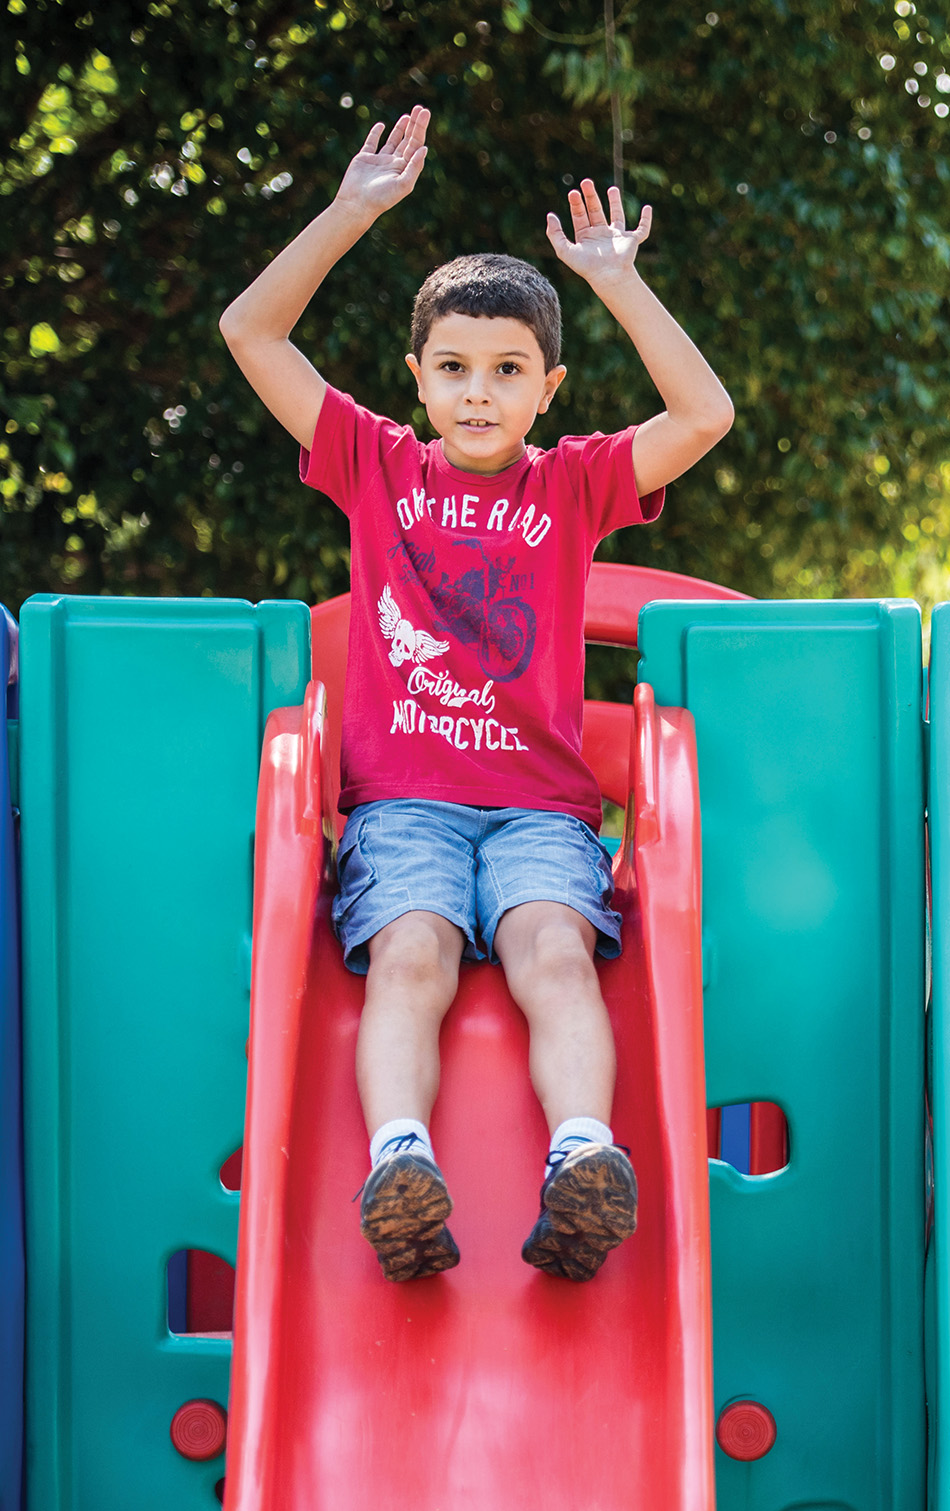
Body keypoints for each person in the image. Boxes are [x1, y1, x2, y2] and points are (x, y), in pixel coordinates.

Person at [218, 106, 733, 1282]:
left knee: (555, 948)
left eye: (507, 372)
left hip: (542, 811)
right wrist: (352, 210)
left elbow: (704, 415)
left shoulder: (575, 485)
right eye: (453, 369)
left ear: (548, 388)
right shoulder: (374, 465)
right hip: (402, 804)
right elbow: (251, 332)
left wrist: (616, 281)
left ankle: (582, 1159)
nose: (478, 393)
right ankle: (402, 1160)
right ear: (417, 380)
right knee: (409, 950)